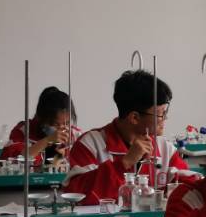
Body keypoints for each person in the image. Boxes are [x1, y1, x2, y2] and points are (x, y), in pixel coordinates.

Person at [63, 70, 197, 204]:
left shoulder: (165, 149)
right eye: (160, 113)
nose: (165, 118)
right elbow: (76, 194)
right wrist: (124, 163)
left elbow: (191, 183)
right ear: (134, 118)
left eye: (165, 112)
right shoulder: (91, 144)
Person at [0, 86, 81, 167]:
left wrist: (57, 156)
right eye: (55, 124)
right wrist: (48, 141)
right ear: (41, 118)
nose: (61, 128)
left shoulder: (75, 135)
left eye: (66, 123)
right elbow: (13, 160)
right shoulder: (23, 131)